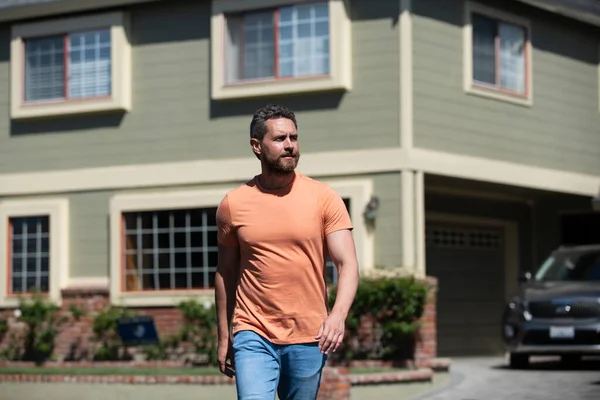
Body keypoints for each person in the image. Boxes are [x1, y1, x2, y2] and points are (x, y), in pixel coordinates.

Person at [214, 104, 360, 400]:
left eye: (294, 137)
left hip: (309, 334)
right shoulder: (234, 204)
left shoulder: (323, 198)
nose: (290, 145)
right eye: (280, 139)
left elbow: (347, 265)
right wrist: (223, 334)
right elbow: (226, 272)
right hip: (252, 330)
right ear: (257, 146)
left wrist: (337, 316)